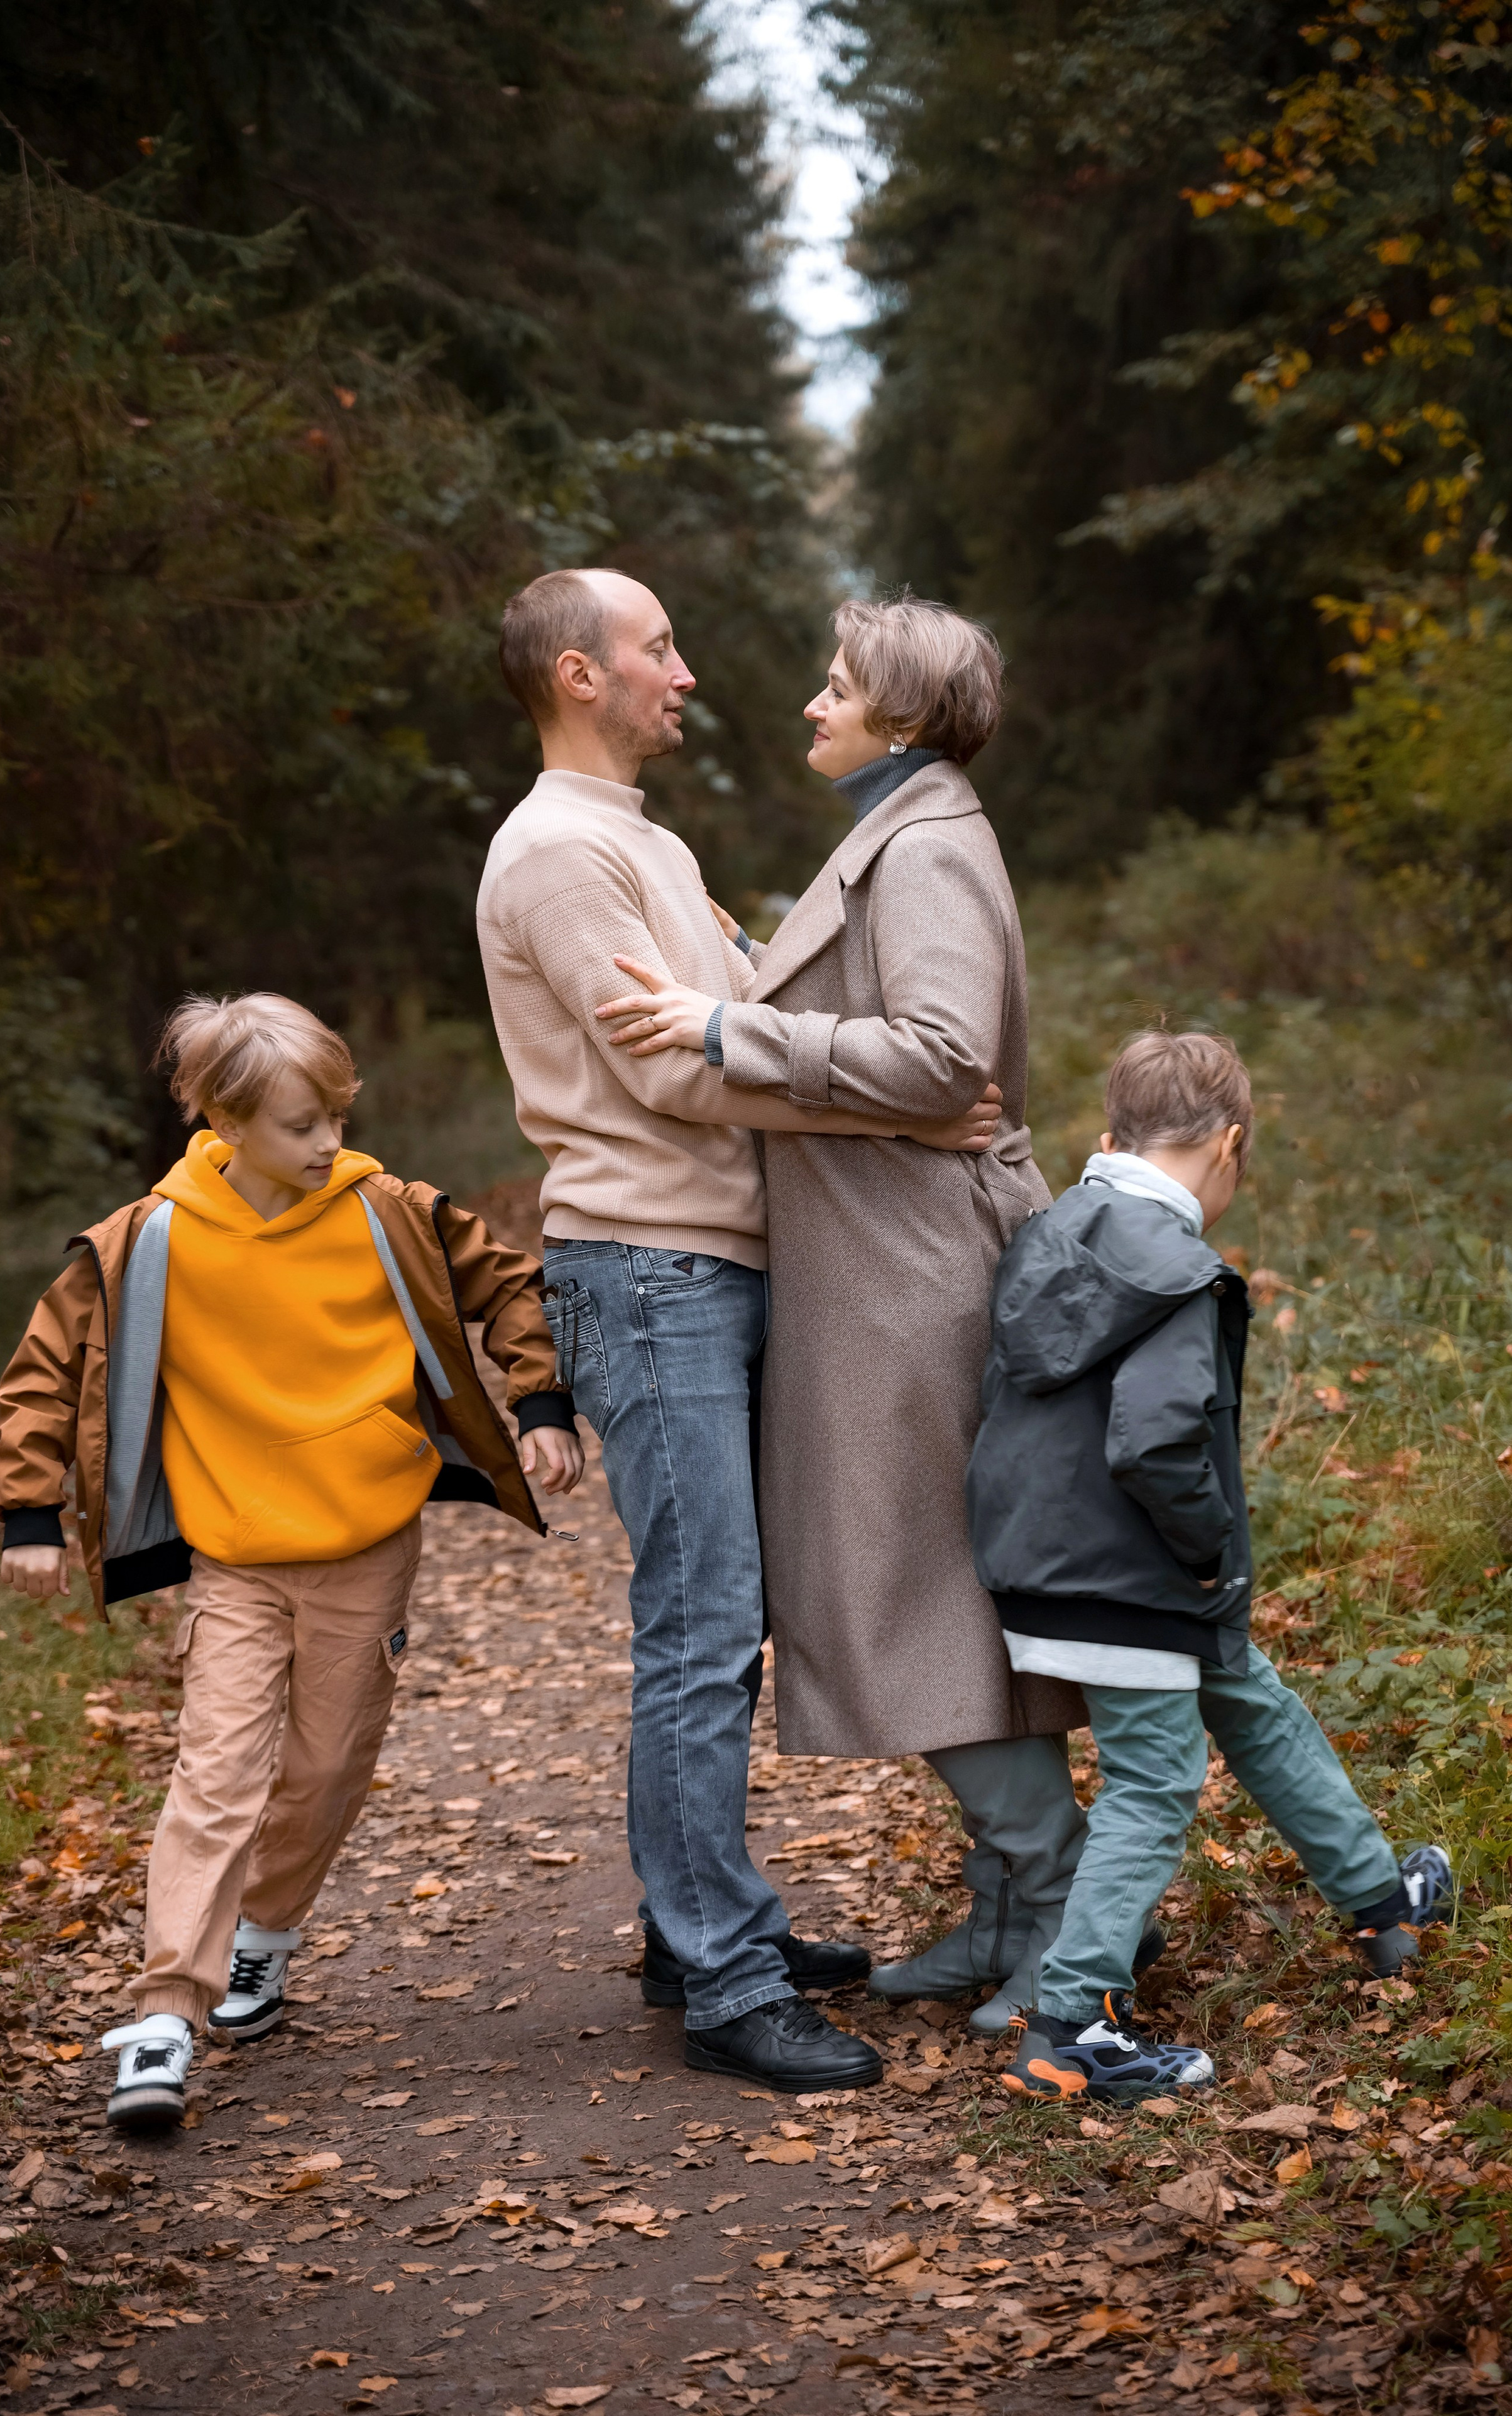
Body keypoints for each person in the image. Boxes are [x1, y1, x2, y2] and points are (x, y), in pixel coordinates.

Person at [476, 568, 1000, 2092]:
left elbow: (724, 1030)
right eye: (657, 650)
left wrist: (870, 1109)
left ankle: (696, 1921)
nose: (687, 673)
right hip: (645, 1270)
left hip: (710, 1262)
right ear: (580, 674)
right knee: (700, 1627)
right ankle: (720, 1976)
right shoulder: (560, 853)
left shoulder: (642, 838)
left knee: (727, 1617)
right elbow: (671, 1079)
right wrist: (899, 1114)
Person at [596, 594, 1099, 2035]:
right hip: (885, 1256)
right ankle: (1007, 1909)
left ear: (903, 714)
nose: (810, 707)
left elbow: (940, 1058)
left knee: (910, 1581)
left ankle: (1053, 1898)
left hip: (911, 1273)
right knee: (931, 1581)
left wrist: (719, 1028)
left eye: (835, 688)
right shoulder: (902, 828)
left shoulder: (928, 843)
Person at [0, 992, 582, 2129]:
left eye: (336, 1118)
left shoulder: (386, 1211)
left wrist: (539, 1399)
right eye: (305, 1125)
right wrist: (26, 1513)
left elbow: (506, 1283)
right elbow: (44, 1369)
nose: (329, 1144)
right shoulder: (146, 1241)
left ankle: (263, 1934)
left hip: (366, 1545)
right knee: (216, 1770)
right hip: (236, 1557)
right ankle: (166, 2011)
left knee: (323, 1770)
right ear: (224, 1119)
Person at [965, 1028, 1452, 2104]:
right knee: (1152, 1787)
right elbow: (1155, 1441)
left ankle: (1383, 1904)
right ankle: (1068, 2026)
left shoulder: (1048, 1237)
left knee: (1252, 1701)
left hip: (1041, 1559)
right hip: (1132, 1572)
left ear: (1110, 1137)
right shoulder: (1183, 1270)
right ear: (1231, 1143)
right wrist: (1202, 1549)